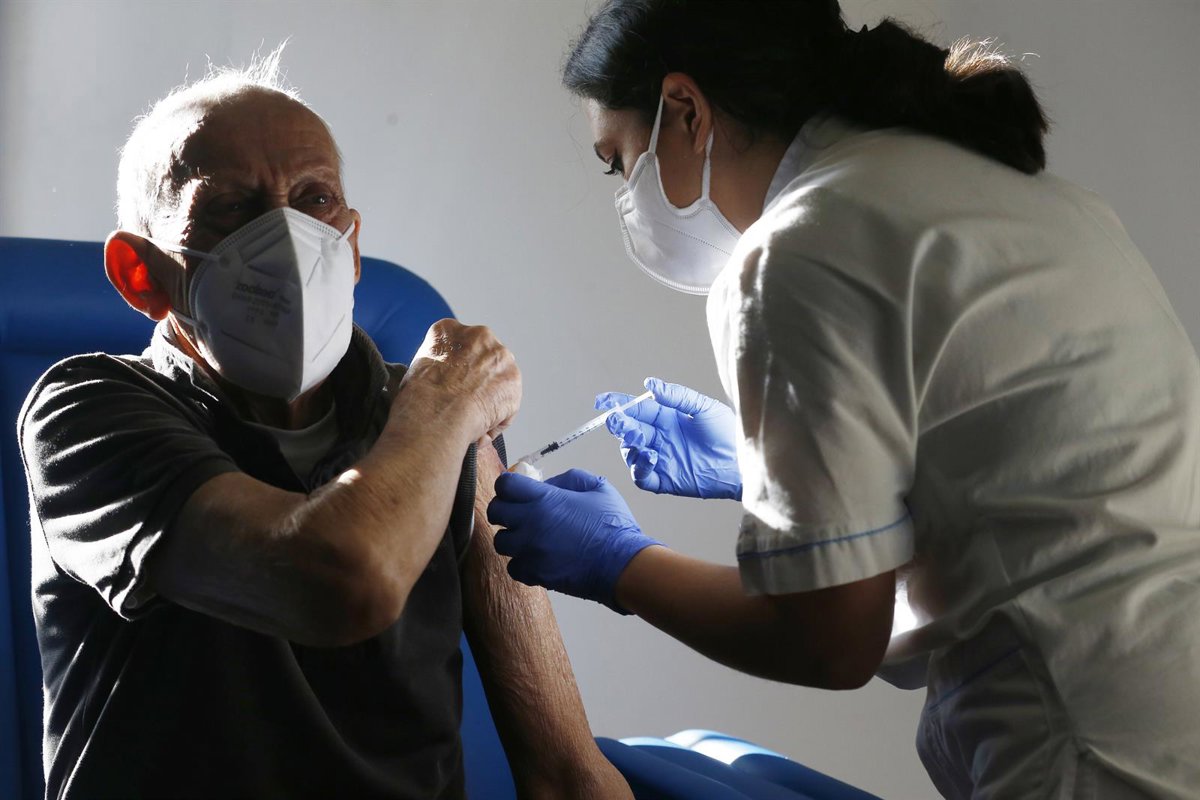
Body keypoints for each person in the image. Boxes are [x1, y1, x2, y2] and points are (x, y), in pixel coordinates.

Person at [487, 1, 1200, 797]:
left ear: (685, 109)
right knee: (695, 752)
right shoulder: (1015, 193)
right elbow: (1010, 507)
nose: (624, 191)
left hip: (1102, 753)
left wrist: (619, 562)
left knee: (645, 771)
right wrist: (763, 479)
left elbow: (830, 643)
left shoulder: (793, 252)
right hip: (1166, 709)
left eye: (617, 161)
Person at [18, 51, 631, 800]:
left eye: (315, 199)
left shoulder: (433, 418)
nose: (285, 236)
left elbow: (565, 771)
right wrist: (443, 406)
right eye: (231, 207)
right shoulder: (85, 413)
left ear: (352, 246)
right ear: (140, 275)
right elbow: (342, 583)